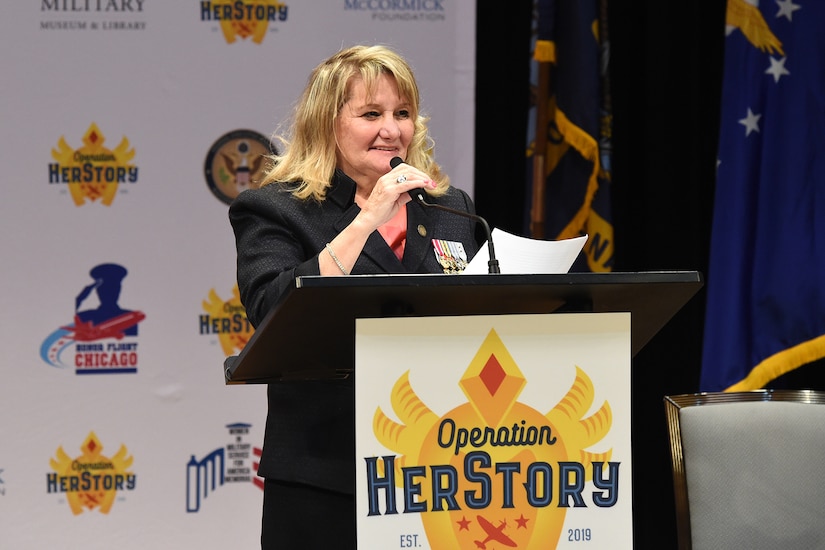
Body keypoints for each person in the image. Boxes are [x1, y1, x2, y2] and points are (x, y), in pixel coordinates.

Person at [228, 44, 482, 548]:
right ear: (328, 124)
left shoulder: (451, 208)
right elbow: (273, 308)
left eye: (402, 113)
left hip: (439, 468)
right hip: (324, 473)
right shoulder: (277, 209)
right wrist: (370, 218)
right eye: (371, 114)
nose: (392, 129)